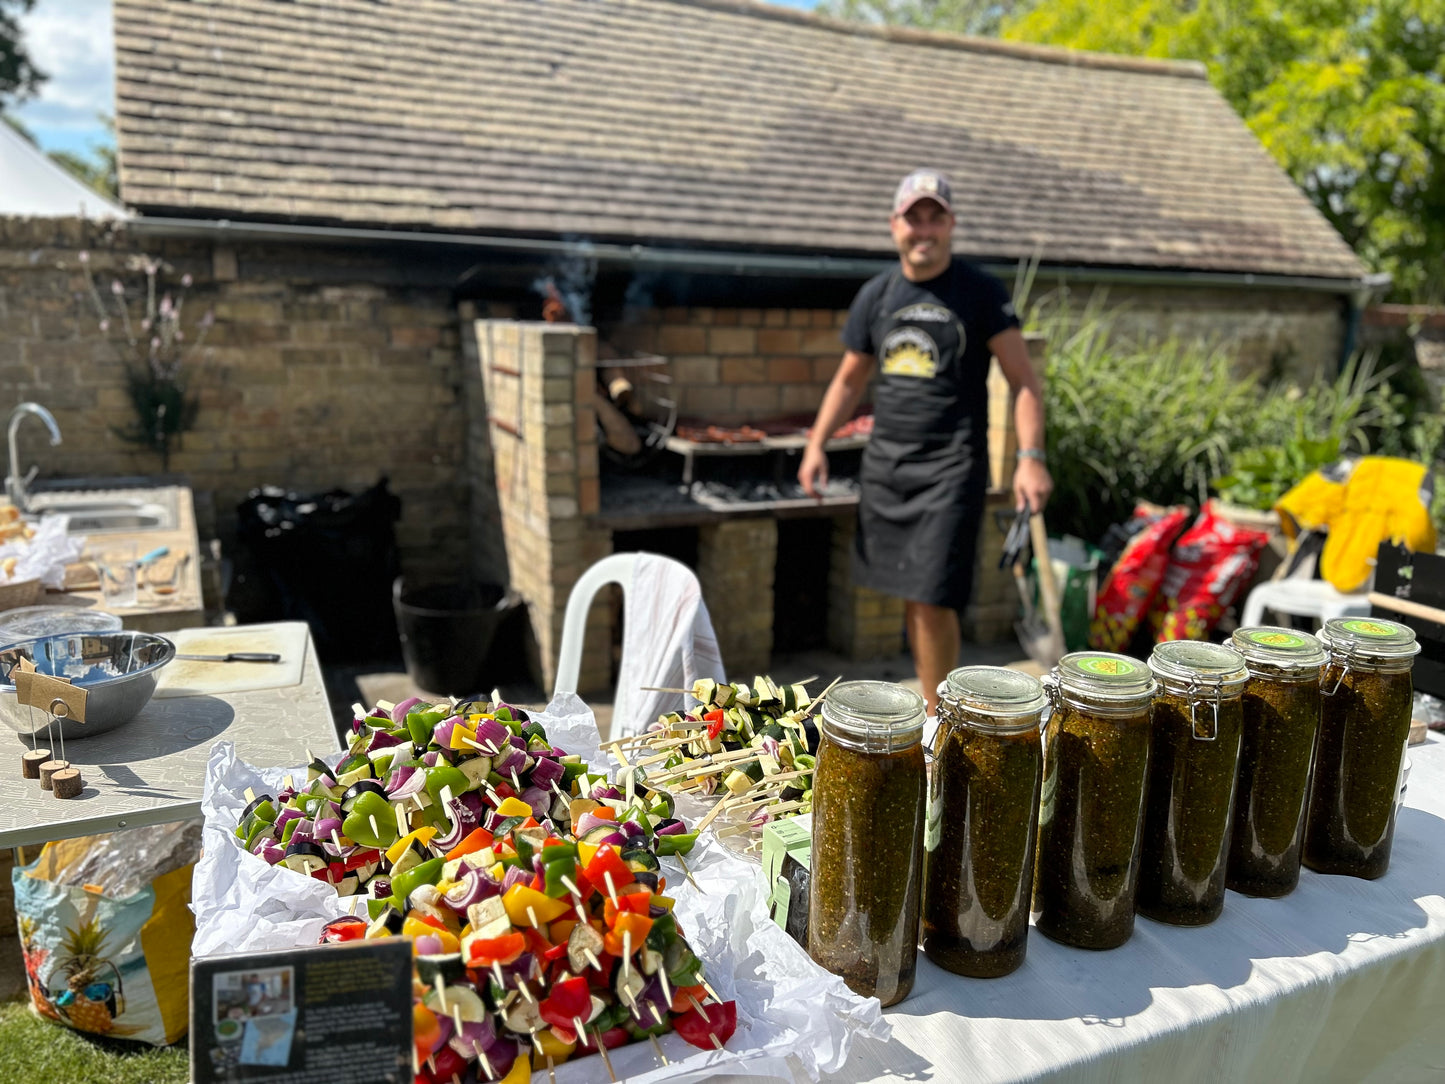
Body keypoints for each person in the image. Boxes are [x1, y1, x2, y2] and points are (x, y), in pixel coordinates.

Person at [799, 168, 1052, 714]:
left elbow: (1024, 381)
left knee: (934, 597)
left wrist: (1030, 459)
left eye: (936, 218)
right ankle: (933, 703)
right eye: (914, 219)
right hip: (889, 463)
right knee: (913, 598)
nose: (925, 230)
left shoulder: (979, 292)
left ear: (952, 225)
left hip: (951, 465)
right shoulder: (877, 296)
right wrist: (818, 442)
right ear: (895, 226)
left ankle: (941, 719)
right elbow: (849, 379)